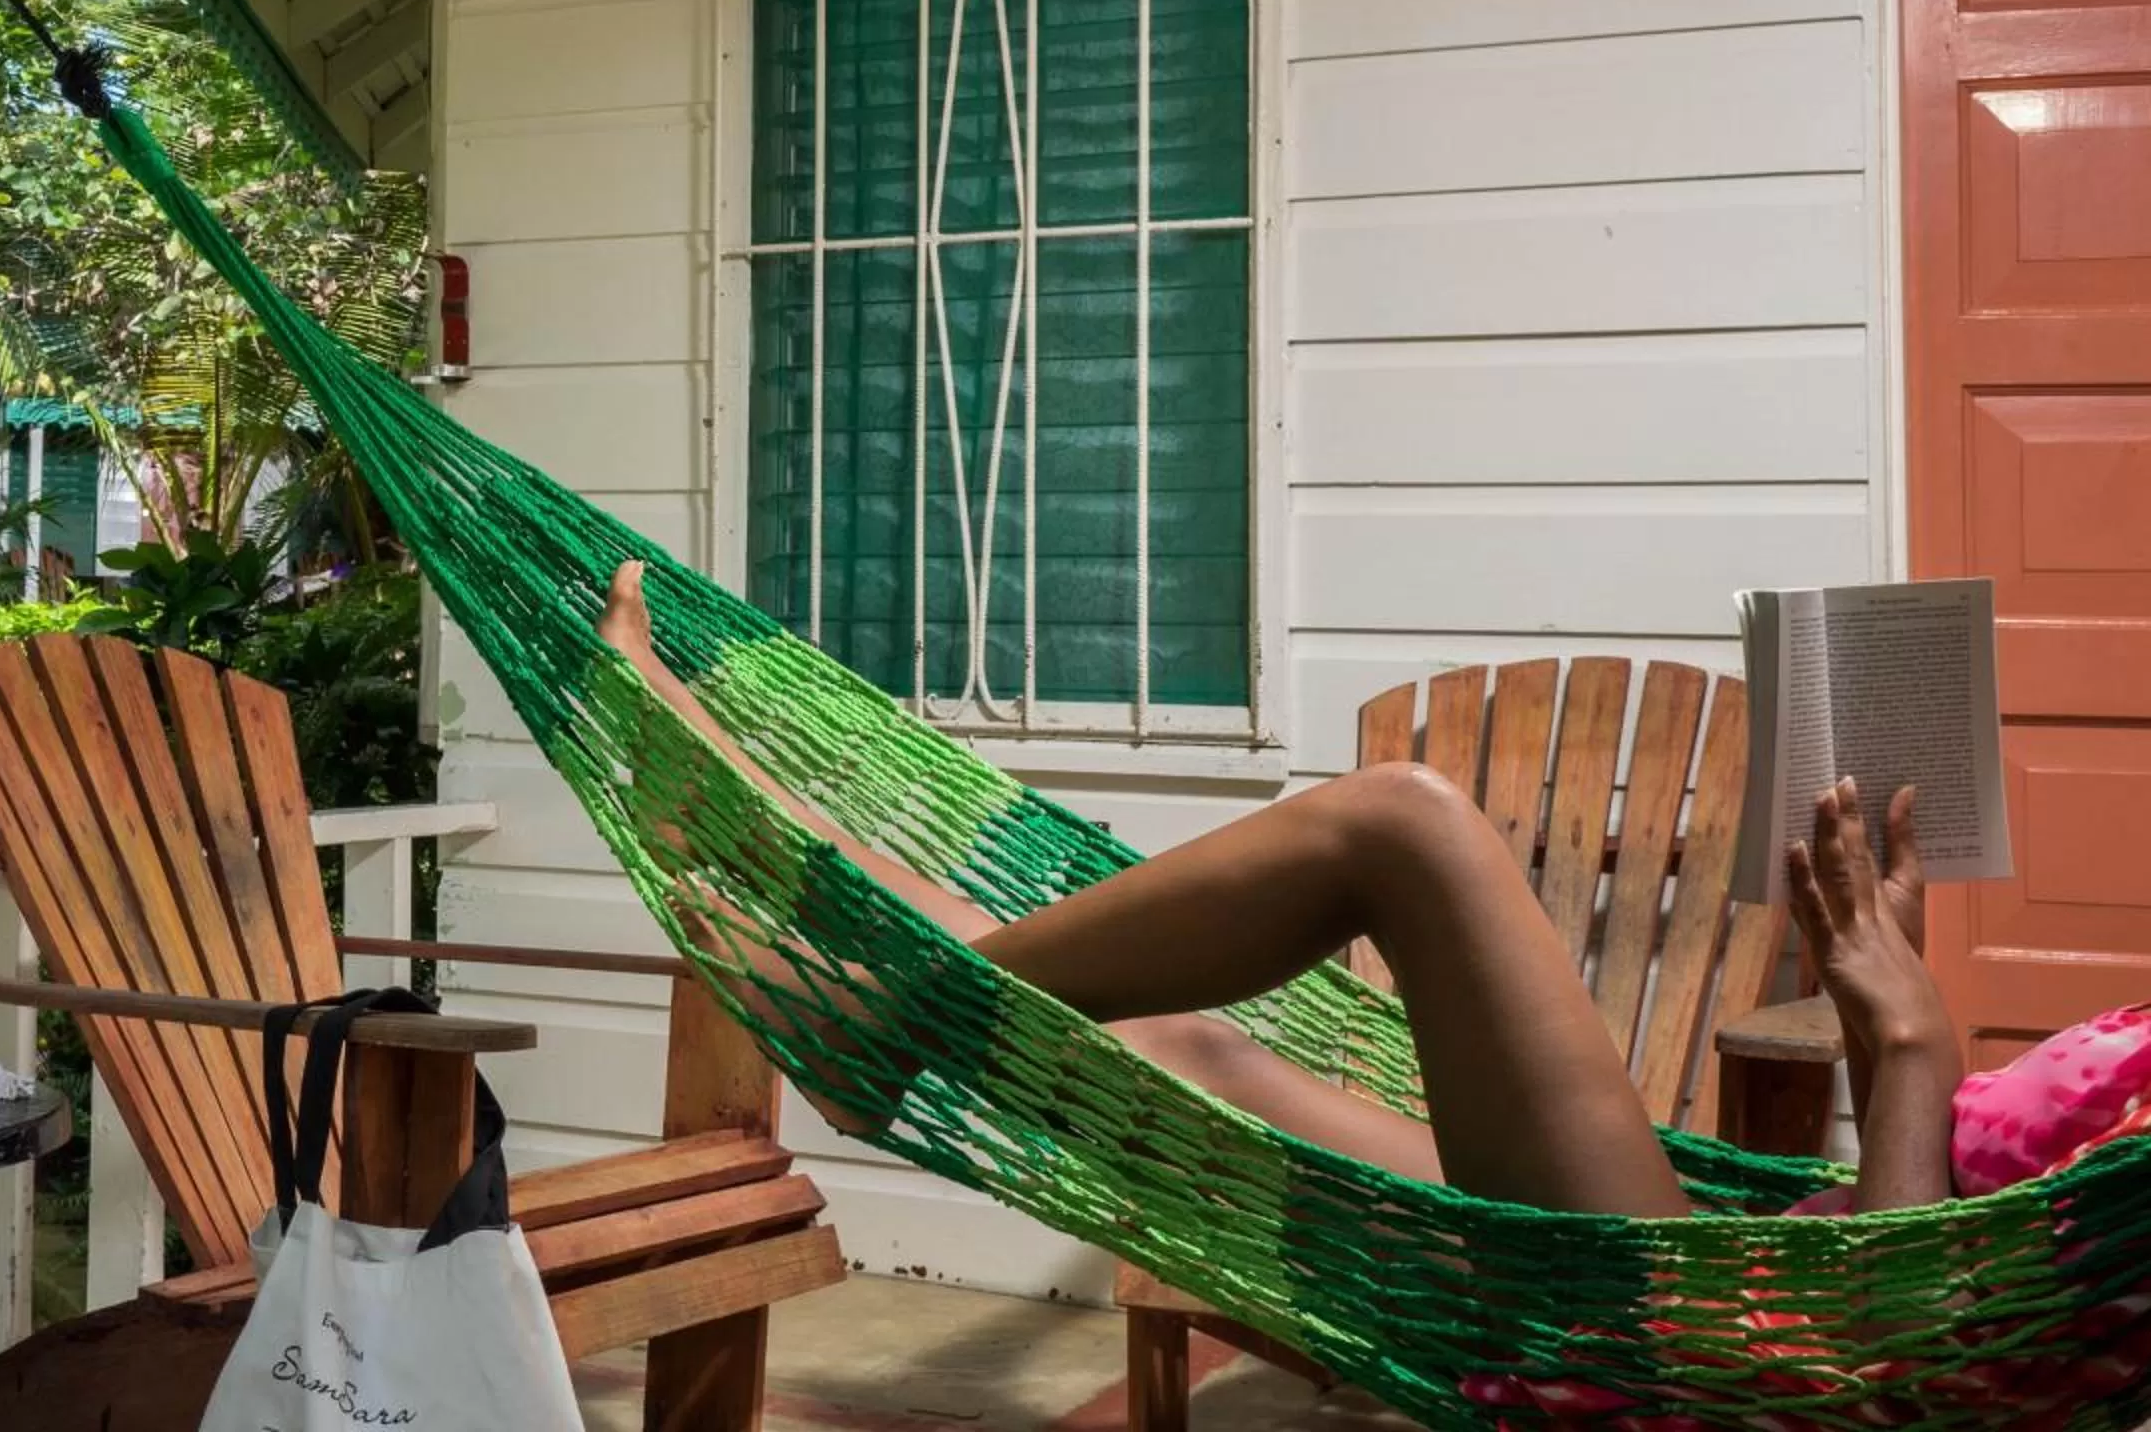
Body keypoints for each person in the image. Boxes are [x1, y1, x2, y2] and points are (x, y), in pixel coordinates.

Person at [597, 562, 2151, 1220]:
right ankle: (740, 805)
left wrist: (1920, 1046)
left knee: (1401, 828)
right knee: (1192, 1052)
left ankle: (889, 1015)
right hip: (1743, 1258)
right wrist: (1879, 986)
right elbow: (1934, 1223)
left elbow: (1893, 1372)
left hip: (1707, 1347)